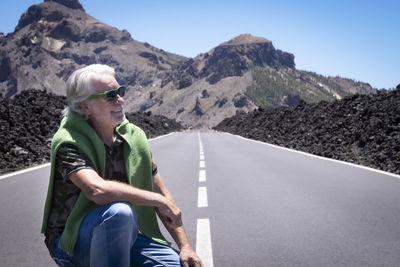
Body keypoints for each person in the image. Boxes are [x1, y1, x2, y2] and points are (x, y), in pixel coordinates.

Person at [41, 64, 203, 267]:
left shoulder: (134, 138)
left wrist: (185, 246)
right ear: (85, 106)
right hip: (71, 243)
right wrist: (156, 200)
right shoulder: (69, 140)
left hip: (124, 236)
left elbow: (161, 193)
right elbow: (96, 190)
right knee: (120, 212)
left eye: (120, 92)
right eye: (110, 95)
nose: (120, 99)